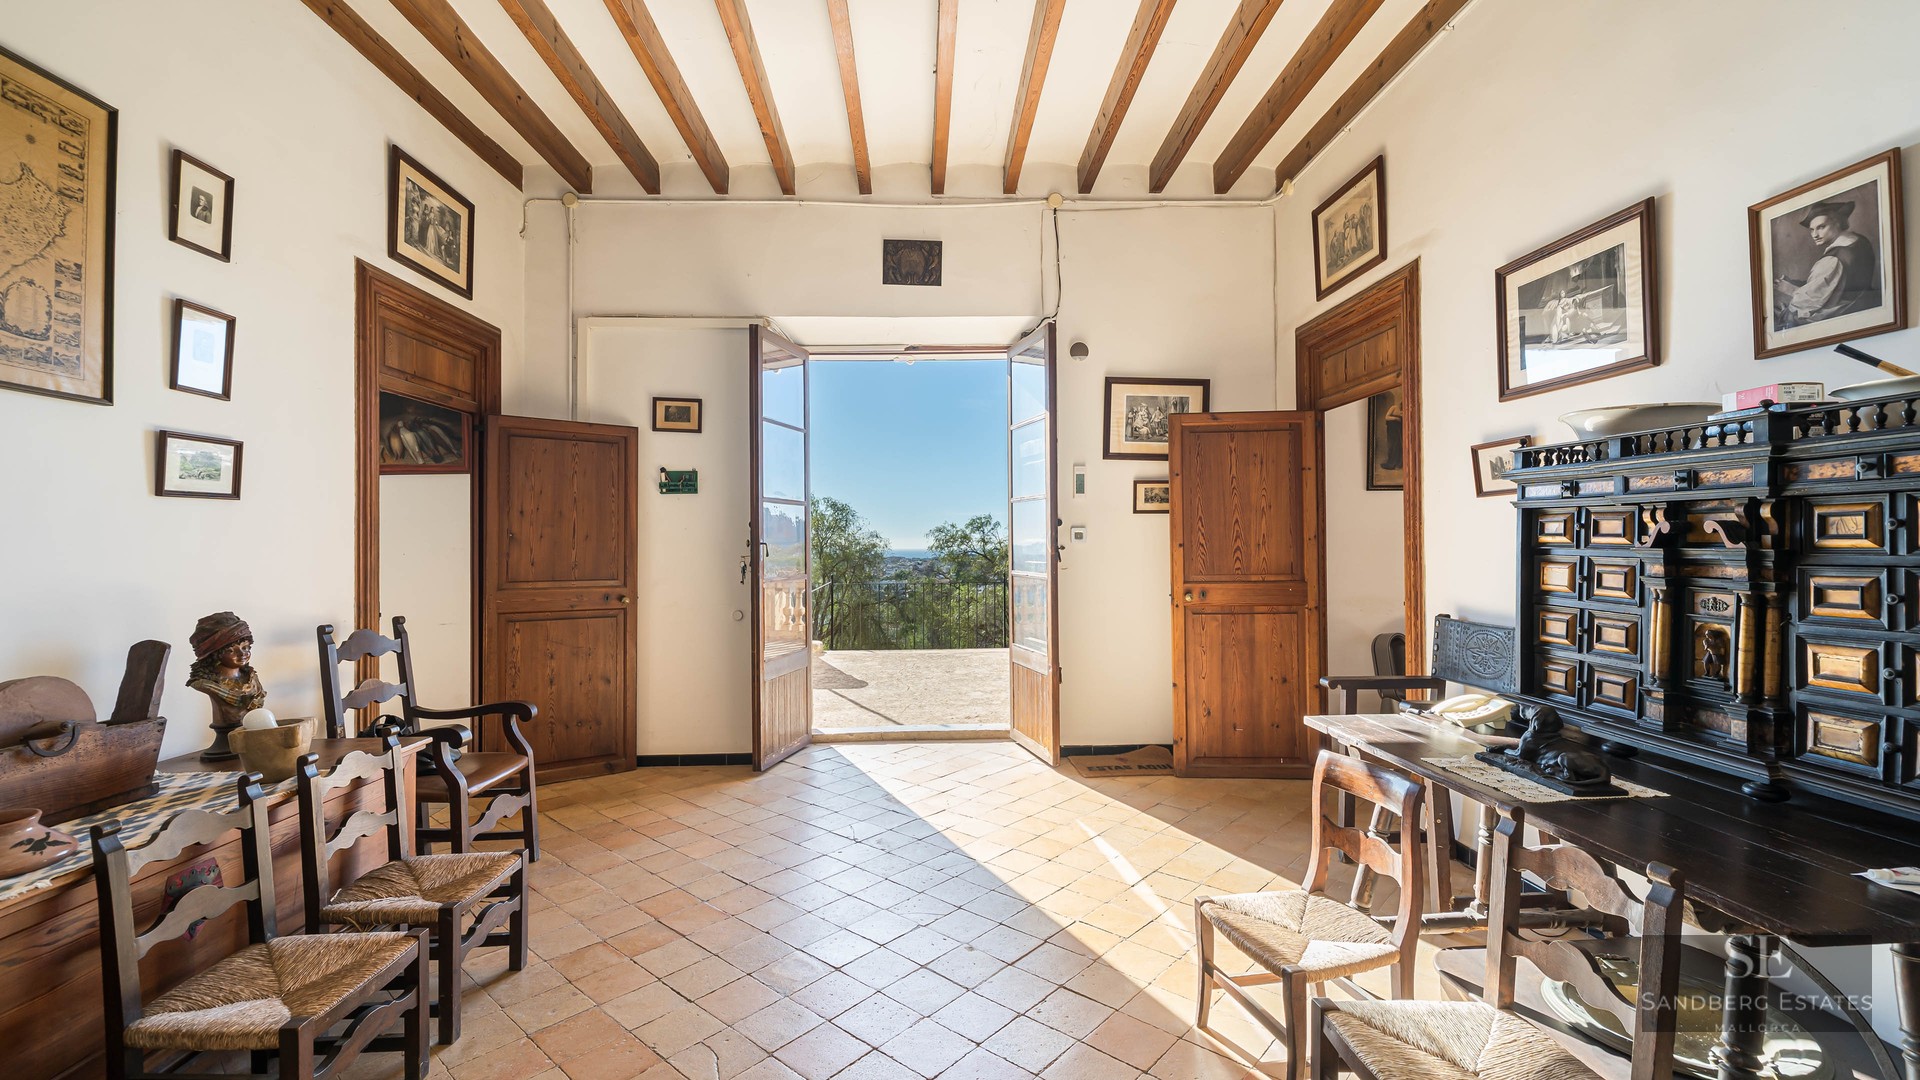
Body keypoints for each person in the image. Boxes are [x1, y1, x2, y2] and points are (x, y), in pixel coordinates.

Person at [1774, 199, 1880, 327]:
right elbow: (1834, 282)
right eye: (1812, 230)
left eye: (1821, 227)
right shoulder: (1860, 240)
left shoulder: (1832, 259)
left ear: (1837, 223)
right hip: (1864, 303)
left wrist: (1788, 289)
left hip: (1842, 313)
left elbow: (1809, 301)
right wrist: (1794, 282)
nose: (1815, 235)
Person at [187, 611, 267, 760]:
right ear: (215, 654)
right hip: (225, 745)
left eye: (245, 647)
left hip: (251, 744)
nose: (242, 654)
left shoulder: (251, 678)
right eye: (231, 650)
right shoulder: (207, 684)